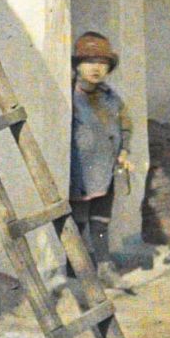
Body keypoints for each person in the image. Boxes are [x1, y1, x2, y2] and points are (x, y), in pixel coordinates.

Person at [68, 30, 134, 286]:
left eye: (102, 63)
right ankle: (77, 271)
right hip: (82, 172)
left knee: (101, 221)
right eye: (90, 62)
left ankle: (104, 267)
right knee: (79, 221)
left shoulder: (110, 97)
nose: (96, 68)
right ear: (77, 65)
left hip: (108, 170)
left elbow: (125, 124)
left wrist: (125, 151)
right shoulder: (71, 97)